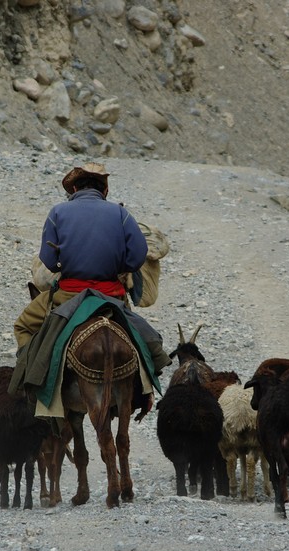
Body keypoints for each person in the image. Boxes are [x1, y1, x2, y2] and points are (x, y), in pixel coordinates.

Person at [10, 162, 171, 413]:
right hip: (111, 295)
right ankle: (144, 391)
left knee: (24, 324)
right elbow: (139, 253)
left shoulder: (58, 212)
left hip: (68, 295)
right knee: (145, 338)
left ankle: (28, 382)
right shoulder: (121, 215)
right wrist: (118, 265)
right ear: (104, 190)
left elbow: (48, 260)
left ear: (73, 188)